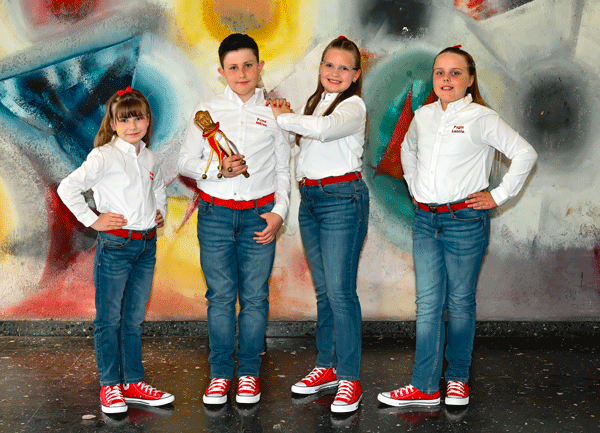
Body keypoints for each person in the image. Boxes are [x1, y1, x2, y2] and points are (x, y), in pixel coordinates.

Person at [377, 46, 537, 408]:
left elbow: (525, 153)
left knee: (460, 302)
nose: (446, 79)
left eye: (455, 73)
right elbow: (407, 150)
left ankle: (458, 380)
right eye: (439, 72)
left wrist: (498, 196)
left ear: (469, 79)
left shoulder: (482, 118)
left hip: (465, 222)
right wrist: (415, 185)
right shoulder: (423, 116)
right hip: (425, 221)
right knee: (428, 304)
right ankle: (424, 386)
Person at [178, 33, 291, 406]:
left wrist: (279, 213)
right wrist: (217, 170)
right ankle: (220, 374)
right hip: (215, 216)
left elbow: (283, 169)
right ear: (221, 71)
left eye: (248, 65)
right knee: (221, 297)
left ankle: (248, 374)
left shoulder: (275, 113)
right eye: (233, 67)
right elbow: (185, 162)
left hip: (260, 216)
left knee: (256, 297)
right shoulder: (207, 111)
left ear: (260, 67)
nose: (241, 74)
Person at [268, 36, 369, 414]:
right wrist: (288, 120)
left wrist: (284, 117)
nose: (335, 72)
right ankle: (327, 366)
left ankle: (350, 379)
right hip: (311, 200)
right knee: (326, 292)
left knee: (341, 293)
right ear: (321, 67)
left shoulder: (354, 106)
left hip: (342, 200)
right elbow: (306, 143)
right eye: (329, 65)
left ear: (356, 75)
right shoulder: (316, 102)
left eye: (344, 68)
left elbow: (325, 130)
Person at [57, 87, 173, 414]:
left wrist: (159, 212)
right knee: (109, 319)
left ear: (148, 121)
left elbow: (157, 188)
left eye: (138, 118)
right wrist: (93, 220)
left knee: (133, 319)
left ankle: (133, 383)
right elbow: (68, 187)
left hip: (146, 247)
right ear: (113, 124)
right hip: (116, 247)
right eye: (124, 120)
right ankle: (110, 385)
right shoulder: (104, 156)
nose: (132, 125)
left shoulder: (150, 157)